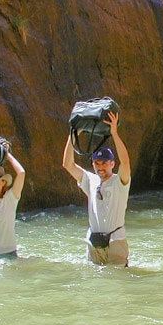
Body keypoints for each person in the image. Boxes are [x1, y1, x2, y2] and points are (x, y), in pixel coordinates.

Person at [62, 111, 131, 266]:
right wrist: (74, 135)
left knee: (118, 281)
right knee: (96, 283)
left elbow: (125, 163)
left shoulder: (120, 181)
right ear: (93, 164)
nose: (100, 167)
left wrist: (114, 133)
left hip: (115, 240)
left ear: (112, 164)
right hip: (94, 241)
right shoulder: (90, 180)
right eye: (97, 163)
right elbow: (67, 165)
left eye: (104, 163)